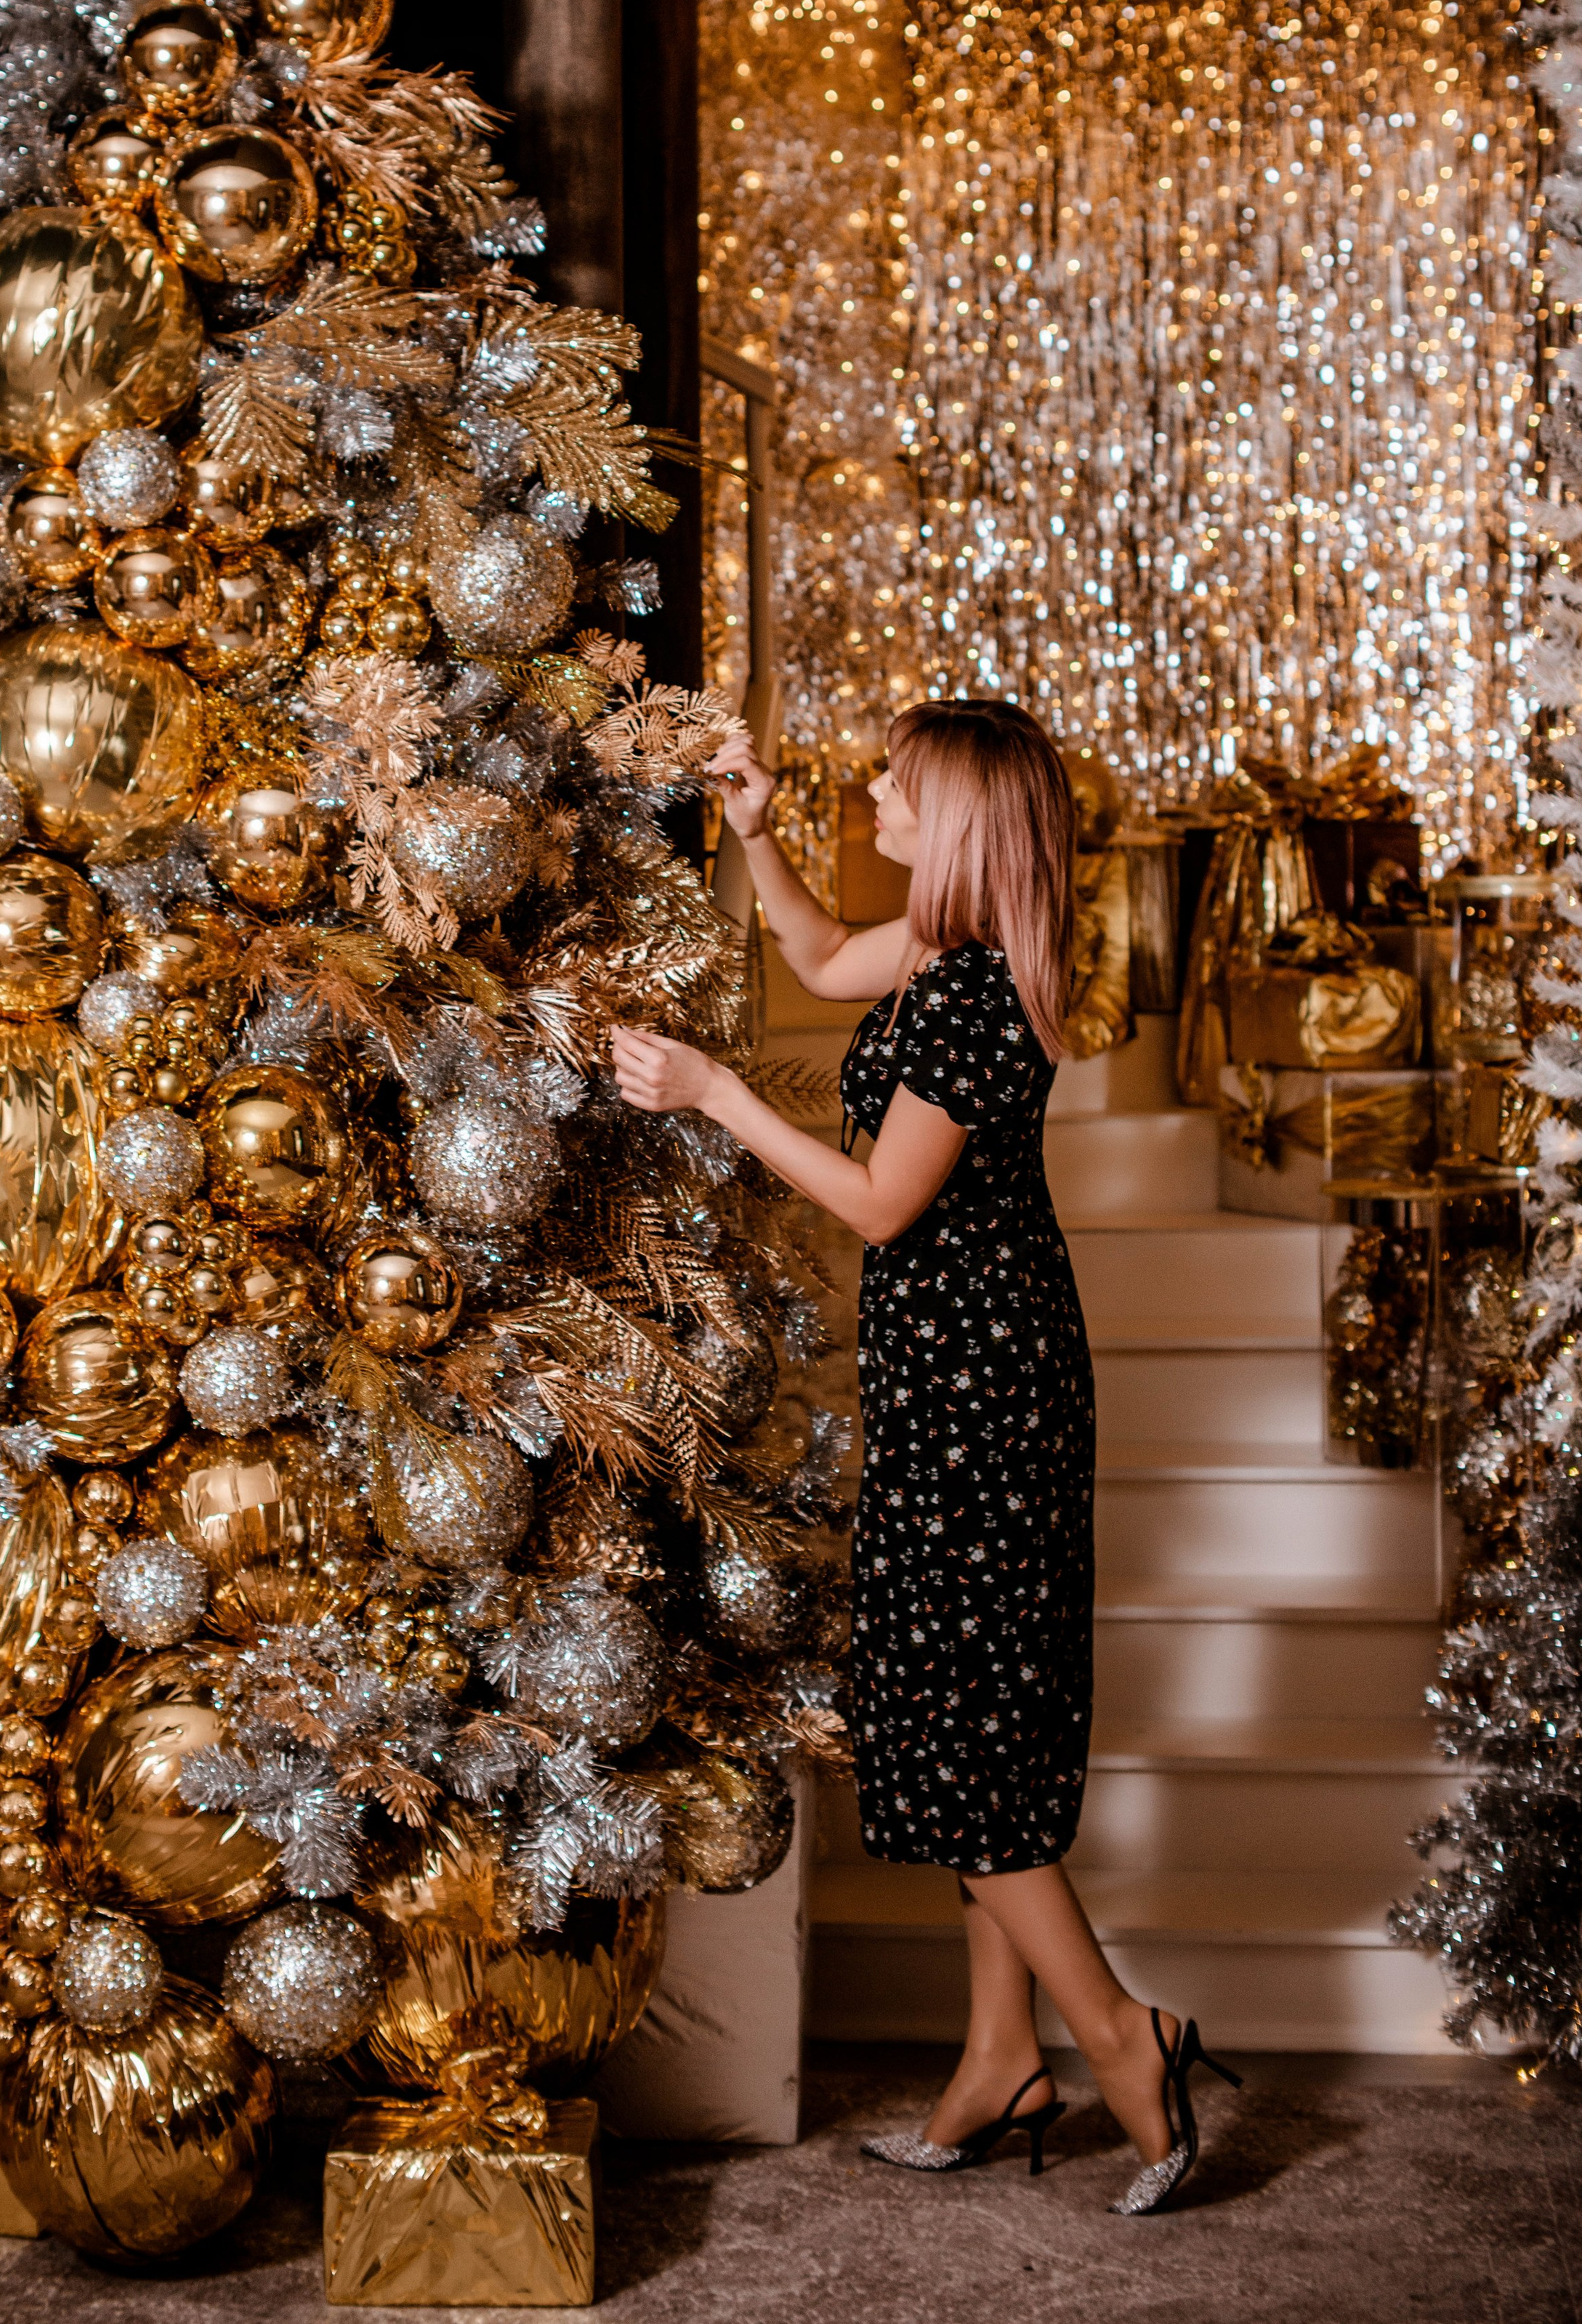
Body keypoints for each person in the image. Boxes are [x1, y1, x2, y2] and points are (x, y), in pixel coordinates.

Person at [610, 697, 1238, 2216]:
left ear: (958, 822)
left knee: (957, 1729)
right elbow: (823, 956)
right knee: (962, 1718)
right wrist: (751, 828)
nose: (871, 791)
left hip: (987, 1394)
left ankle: (1125, 2041)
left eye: (895, 781)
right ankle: (997, 2058)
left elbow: (885, 1204)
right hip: (946, 1376)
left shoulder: (973, 997)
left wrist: (716, 1094)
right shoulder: (941, 954)